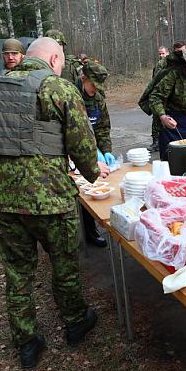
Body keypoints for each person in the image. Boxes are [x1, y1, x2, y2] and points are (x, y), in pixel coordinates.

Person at [0, 37, 110, 369]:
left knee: (17, 272)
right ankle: (75, 322)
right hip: (49, 197)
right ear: (53, 58)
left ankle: (26, 342)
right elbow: (82, 146)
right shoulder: (59, 89)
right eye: (62, 62)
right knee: (63, 265)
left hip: (1, 198)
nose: (63, 67)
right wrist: (95, 173)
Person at [76, 59, 114, 247]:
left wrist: (105, 150)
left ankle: (96, 228)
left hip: (94, 150)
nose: (95, 89)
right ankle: (87, 233)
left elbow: (102, 128)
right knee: (81, 191)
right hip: (74, 152)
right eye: (93, 85)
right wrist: (90, 152)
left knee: (98, 185)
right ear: (84, 78)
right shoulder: (71, 95)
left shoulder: (98, 98)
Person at [146, 41, 186, 152]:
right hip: (163, 95)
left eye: (163, 53)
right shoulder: (162, 64)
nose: (161, 56)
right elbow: (156, 80)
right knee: (158, 118)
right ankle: (156, 142)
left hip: (176, 98)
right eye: (160, 54)